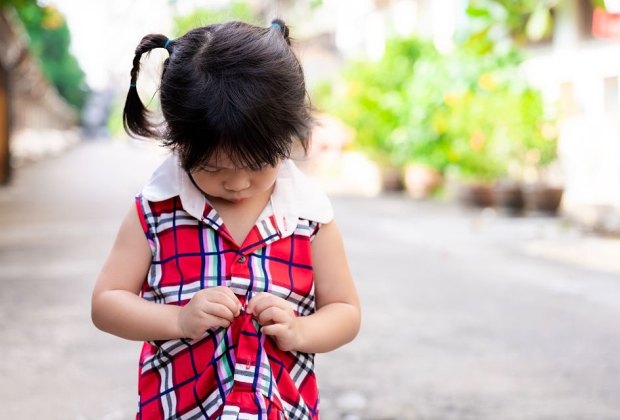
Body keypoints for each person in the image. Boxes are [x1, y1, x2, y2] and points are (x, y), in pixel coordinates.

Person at [91, 19, 361, 420]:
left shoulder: (309, 216)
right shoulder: (156, 210)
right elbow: (106, 303)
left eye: (257, 165)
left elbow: (345, 311)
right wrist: (178, 319)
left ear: (285, 138)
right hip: (179, 407)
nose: (237, 183)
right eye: (214, 169)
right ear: (180, 142)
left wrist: (301, 331)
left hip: (280, 407)